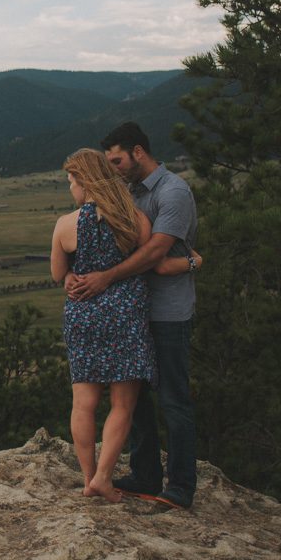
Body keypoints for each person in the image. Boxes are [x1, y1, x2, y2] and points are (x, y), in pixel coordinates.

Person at [50, 149, 199, 502]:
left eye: (72, 182)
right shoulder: (135, 220)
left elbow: (59, 274)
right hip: (125, 316)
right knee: (122, 405)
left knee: (83, 404)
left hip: (84, 316)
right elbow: (157, 266)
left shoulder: (64, 225)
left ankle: (89, 479)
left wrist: (73, 274)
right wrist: (193, 261)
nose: (70, 188)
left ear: (85, 182)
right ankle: (105, 477)